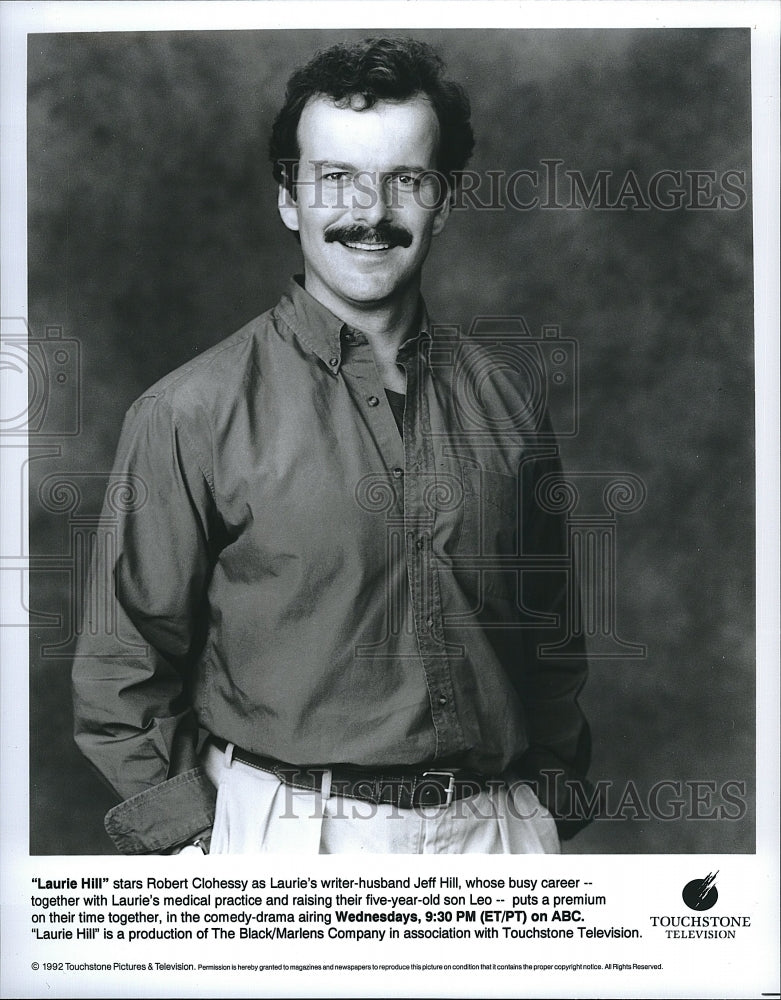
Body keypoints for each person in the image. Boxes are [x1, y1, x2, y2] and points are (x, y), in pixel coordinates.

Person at [72, 36, 592, 855]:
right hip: (286, 835)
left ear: (443, 201)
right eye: (336, 178)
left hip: (496, 833)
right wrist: (192, 848)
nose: (370, 210)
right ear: (290, 200)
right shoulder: (189, 411)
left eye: (405, 180)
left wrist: (546, 804)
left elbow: (549, 626)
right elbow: (121, 659)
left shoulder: (508, 399)